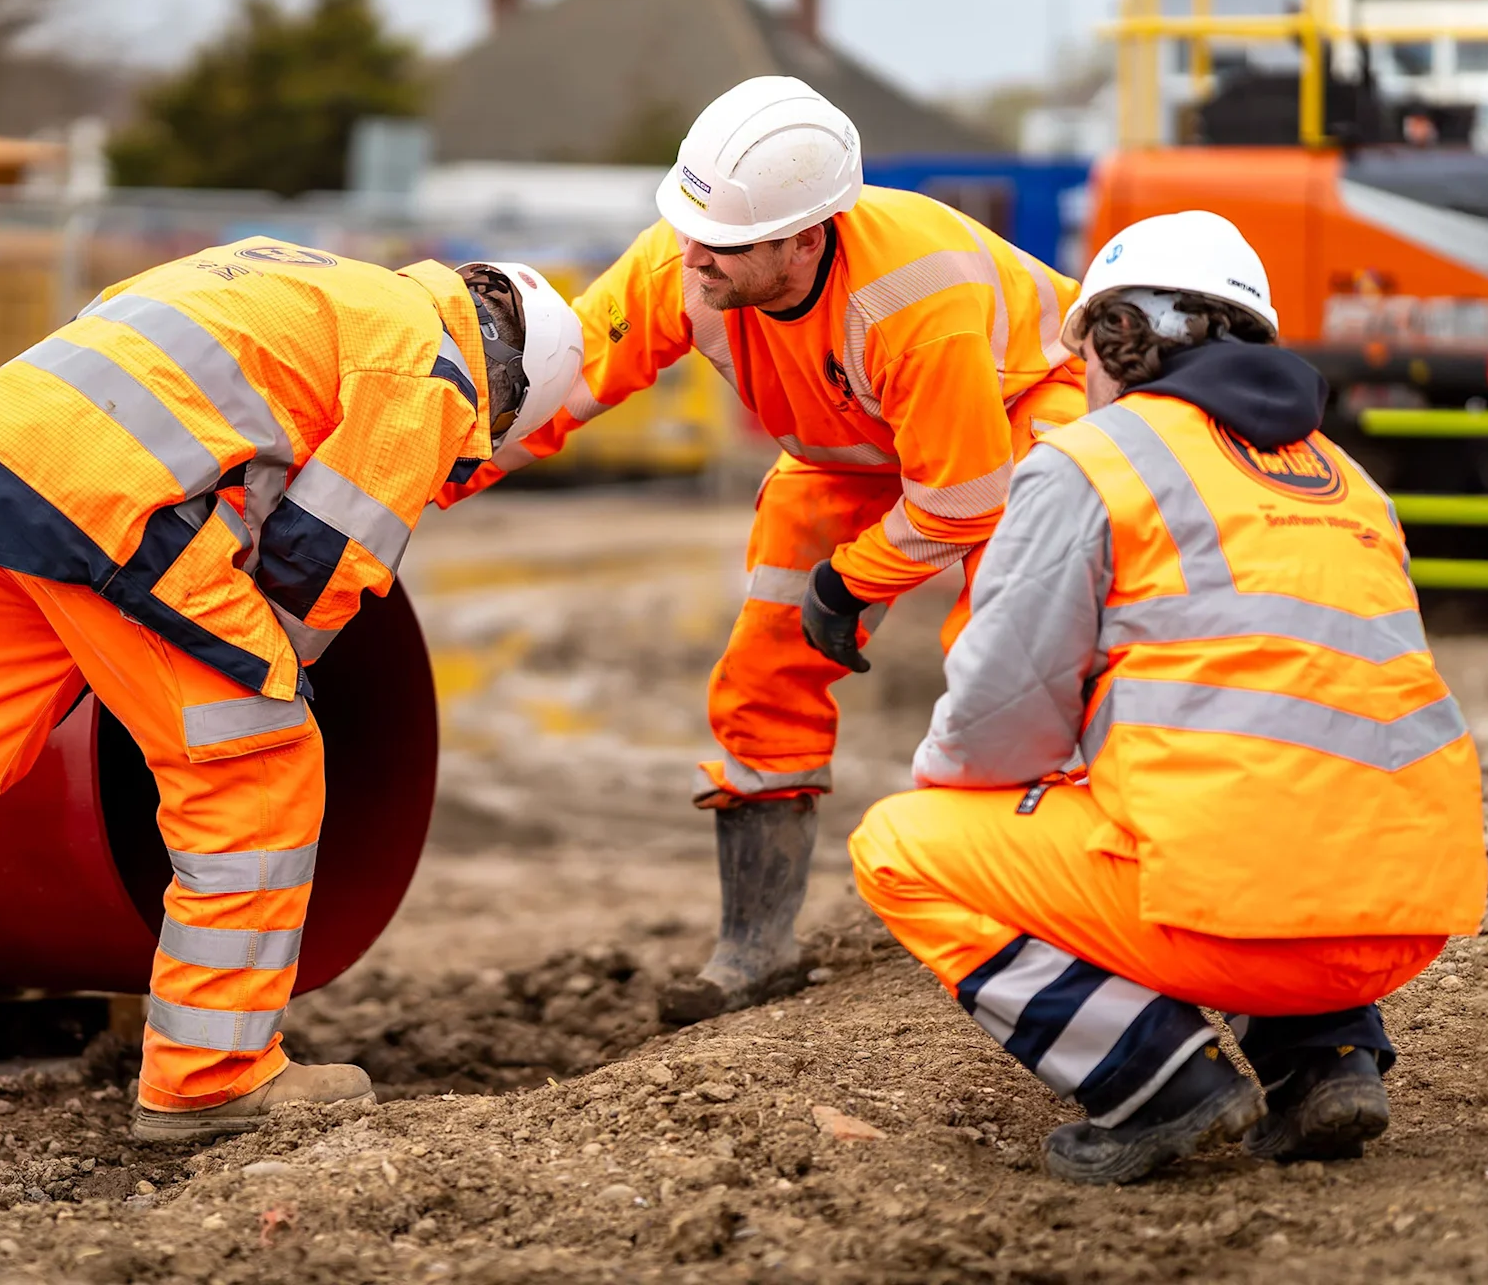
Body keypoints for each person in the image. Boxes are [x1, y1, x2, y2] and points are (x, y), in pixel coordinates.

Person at [0, 240, 584, 1161]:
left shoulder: (306, 275)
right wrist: (257, 683)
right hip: (115, 513)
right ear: (511, 393)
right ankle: (211, 1076)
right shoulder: (434, 369)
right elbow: (314, 573)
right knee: (261, 763)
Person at [849, 211, 1487, 1185]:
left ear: (1118, 340)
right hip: (1402, 920)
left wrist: (987, 793)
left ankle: (1162, 1086)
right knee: (1262, 790)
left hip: (1239, 926)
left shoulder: (1093, 459)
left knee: (902, 846)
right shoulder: (1351, 482)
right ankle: (1328, 1060)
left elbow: (994, 724)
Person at [441, 76, 1085, 1022]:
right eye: (687, 227)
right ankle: (755, 948)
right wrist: (437, 478)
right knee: (760, 674)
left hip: (1017, 427)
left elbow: (959, 500)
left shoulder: (914, 297)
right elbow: (562, 383)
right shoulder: (689, 255)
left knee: (1010, 666)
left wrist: (853, 581)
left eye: (724, 245)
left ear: (805, 237)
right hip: (846, 455)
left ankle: (1050, 923)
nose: (692, 257)